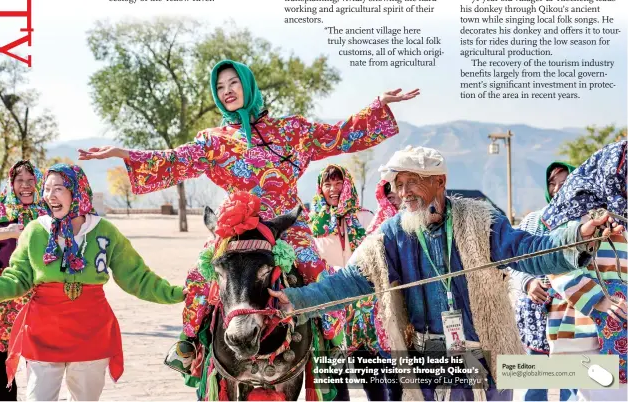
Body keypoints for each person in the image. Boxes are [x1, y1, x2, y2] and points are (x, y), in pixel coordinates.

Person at [77, 59, 419, 396]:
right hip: (236, 229)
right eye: (220, 87)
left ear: (248, 85)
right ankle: (190, 347)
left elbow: (338, 135)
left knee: (317, 272)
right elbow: (175, 159)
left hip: (287, 229)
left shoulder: (292, 131)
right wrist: (124, 153)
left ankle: (331, 347)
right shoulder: (213, 141)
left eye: (233, 84)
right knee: (200, 275)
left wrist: (377, 107)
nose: (226, 92)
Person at [269, 145, 624, 401]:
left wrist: (577, 236)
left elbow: (531, 252)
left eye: (412, 183)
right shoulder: (393, 234)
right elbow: (349, 280)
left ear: (439, 181)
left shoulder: (481, 220)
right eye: (398, 185)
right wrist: (296, 300)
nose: (403, 193)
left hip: (482, 363)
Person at [0, 164, 185, 401]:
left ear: (77, 191)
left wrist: (176, 293)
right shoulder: (35, 231)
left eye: (58, 188)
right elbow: (18, 277)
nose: (50, 196)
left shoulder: (104, 232)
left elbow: (137, 277)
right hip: (43, 333)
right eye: (47, 189)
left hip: (91, 333)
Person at [540, 141, 627, 402]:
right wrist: (597, 300)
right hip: (583, 331)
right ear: (616, 170)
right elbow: (553, 264)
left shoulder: (620, 213)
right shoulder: (573, 212)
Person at [310, 165, 400, 401]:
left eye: (338, 183)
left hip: (366, 312)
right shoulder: (312, 224)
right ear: (320, 188)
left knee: (371, 376)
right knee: (336, 380)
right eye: (328, 184)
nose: (333, 189)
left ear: (347, 184)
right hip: (331, 313)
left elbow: (384, 251)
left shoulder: (366, 217)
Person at [0, 160, 47, 401]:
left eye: (31, 181)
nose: (25, 186)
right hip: (1, 302)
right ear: (11, 184)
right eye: (19, 181)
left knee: (44, 369)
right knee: (1, 370)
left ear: (39, 183)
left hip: (42, 302)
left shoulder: (49, 214)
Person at [509, 161, 577, 401]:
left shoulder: (584, 224)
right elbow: (514, 261)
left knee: (574, 389)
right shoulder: (532, 221)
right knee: (533, 390)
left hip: (573, 320)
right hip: (535, 318)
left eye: (564, 182)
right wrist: (528, 283)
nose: (557, 189)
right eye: (552, 183)